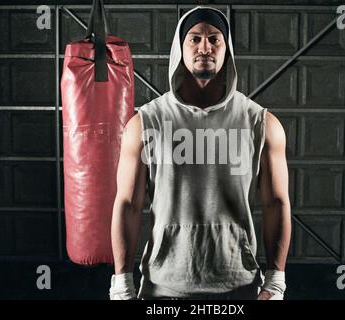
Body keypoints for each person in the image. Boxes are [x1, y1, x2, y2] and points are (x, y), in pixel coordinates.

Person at [109, 6, 291, 300]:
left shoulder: (261, 123)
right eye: (194, 39)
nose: (204, 47)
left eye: (214, 39)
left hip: (238, 288)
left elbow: (276, 203)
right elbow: (128, 205)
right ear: (180, 49)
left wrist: (276, 281)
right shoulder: (145, 123)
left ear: (226, 49)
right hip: (163, 289)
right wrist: (122, 284)